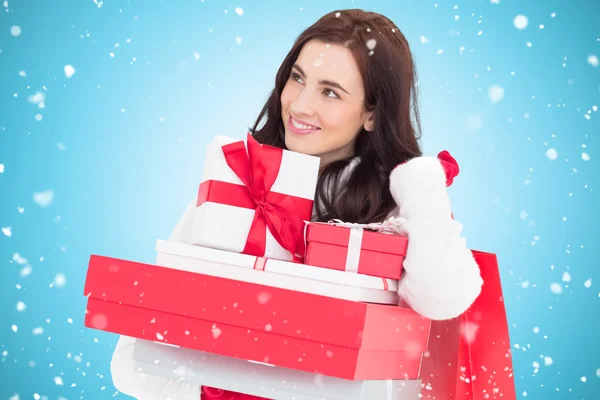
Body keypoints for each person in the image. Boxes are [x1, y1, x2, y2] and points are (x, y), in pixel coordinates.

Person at [110, 9, 484, 400]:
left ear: (371, 113)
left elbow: (442, 299)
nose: (300, 105)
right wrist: (228, 381)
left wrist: (421, 185)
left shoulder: (398, 210)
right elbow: (132, 362)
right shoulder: (236, 187)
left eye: (330, 92)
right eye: (297, 78)